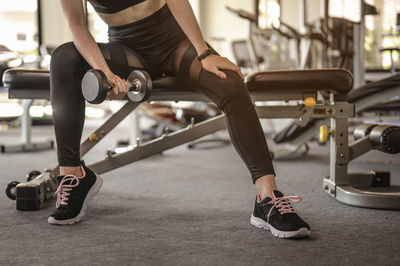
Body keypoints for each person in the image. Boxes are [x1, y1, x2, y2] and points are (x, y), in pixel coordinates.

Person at [49, 0, 310, 239]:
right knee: (64, 57)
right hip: (127, 50)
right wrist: (104, 73)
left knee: (229, 84)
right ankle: (73, 174)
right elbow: (76, 23)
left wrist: (204, 52)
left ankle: (267, 196)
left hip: (175, 43)